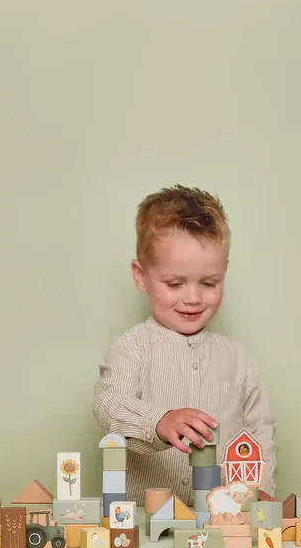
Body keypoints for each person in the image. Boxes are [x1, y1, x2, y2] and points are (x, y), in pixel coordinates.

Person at [92, 184, 277, 506]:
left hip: (222, 519)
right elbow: (109, 404)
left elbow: (260, 432)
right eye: (175, 283)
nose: (193, 298)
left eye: (209, 283)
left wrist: (261, 493)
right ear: (141, 276)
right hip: (145, 520)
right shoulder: (132, 348)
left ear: (224, 272)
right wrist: (157, 421)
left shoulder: (237, 359)